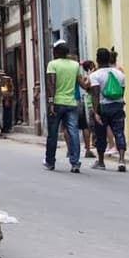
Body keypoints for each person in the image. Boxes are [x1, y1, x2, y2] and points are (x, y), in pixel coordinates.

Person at [44, 40, 89, 173]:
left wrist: (51, 102)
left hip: (57, 103)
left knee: (52, 134)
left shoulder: (52, 64)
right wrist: (88, 82)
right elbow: (82, 83)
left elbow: (51, 85)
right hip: (71, 103)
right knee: (73, 132)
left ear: (57, 52)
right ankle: (75, 163)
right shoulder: (75, 65)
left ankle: (50, 162)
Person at [89, 48, 128, 172]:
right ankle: (121, 160)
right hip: (117, 106)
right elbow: (121, 92)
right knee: (119, 132)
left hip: (103, 107)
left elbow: (95, 95)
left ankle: (101, 161)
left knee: (101, 135)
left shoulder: (95, 75)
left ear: (98, 59)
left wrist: (95, 112)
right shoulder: (119, 74)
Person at [77, 59, 96, 161]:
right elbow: (86, 85)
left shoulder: (87, 76)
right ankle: (91, 145)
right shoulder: (90, 76)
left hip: (89, 102)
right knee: (89, 125)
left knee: (90, 124)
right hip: (90, 102)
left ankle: (91, 144)